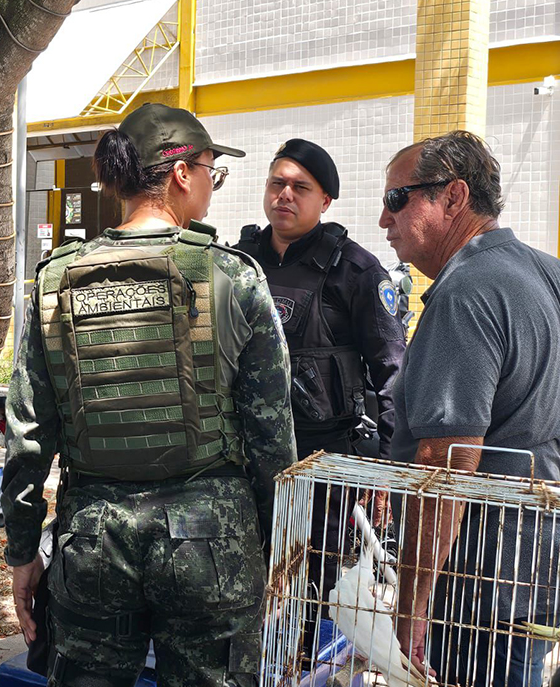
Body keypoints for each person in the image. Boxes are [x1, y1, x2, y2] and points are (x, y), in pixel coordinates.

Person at [2, 102, 297, 686]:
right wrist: (282, 547)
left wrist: (22, 551)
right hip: (211, 540)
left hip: (93, 539)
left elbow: (28, 430)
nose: (212, 184)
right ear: (182, 173)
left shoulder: (55, 280)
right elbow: (271, 431)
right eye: (212, 171)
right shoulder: (233, 275)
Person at [383, 131, 560, 687]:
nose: (385, 220)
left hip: (478, 586)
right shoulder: (545, 271)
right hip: (536, 562)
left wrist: (411, 603)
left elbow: (447, 461)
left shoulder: (466, 293)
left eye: (396, 199)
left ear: (453, 197)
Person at [232, 139, 406, 657]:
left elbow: (391, 372)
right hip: (244, 452)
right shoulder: (240, 262)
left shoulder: (355, 270)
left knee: (312, 572)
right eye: (277, 183)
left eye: (300, 187)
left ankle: (297, 659)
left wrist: (387, 470)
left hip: (323, 458)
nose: (284, 195)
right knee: (242, 564)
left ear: (325, 200)